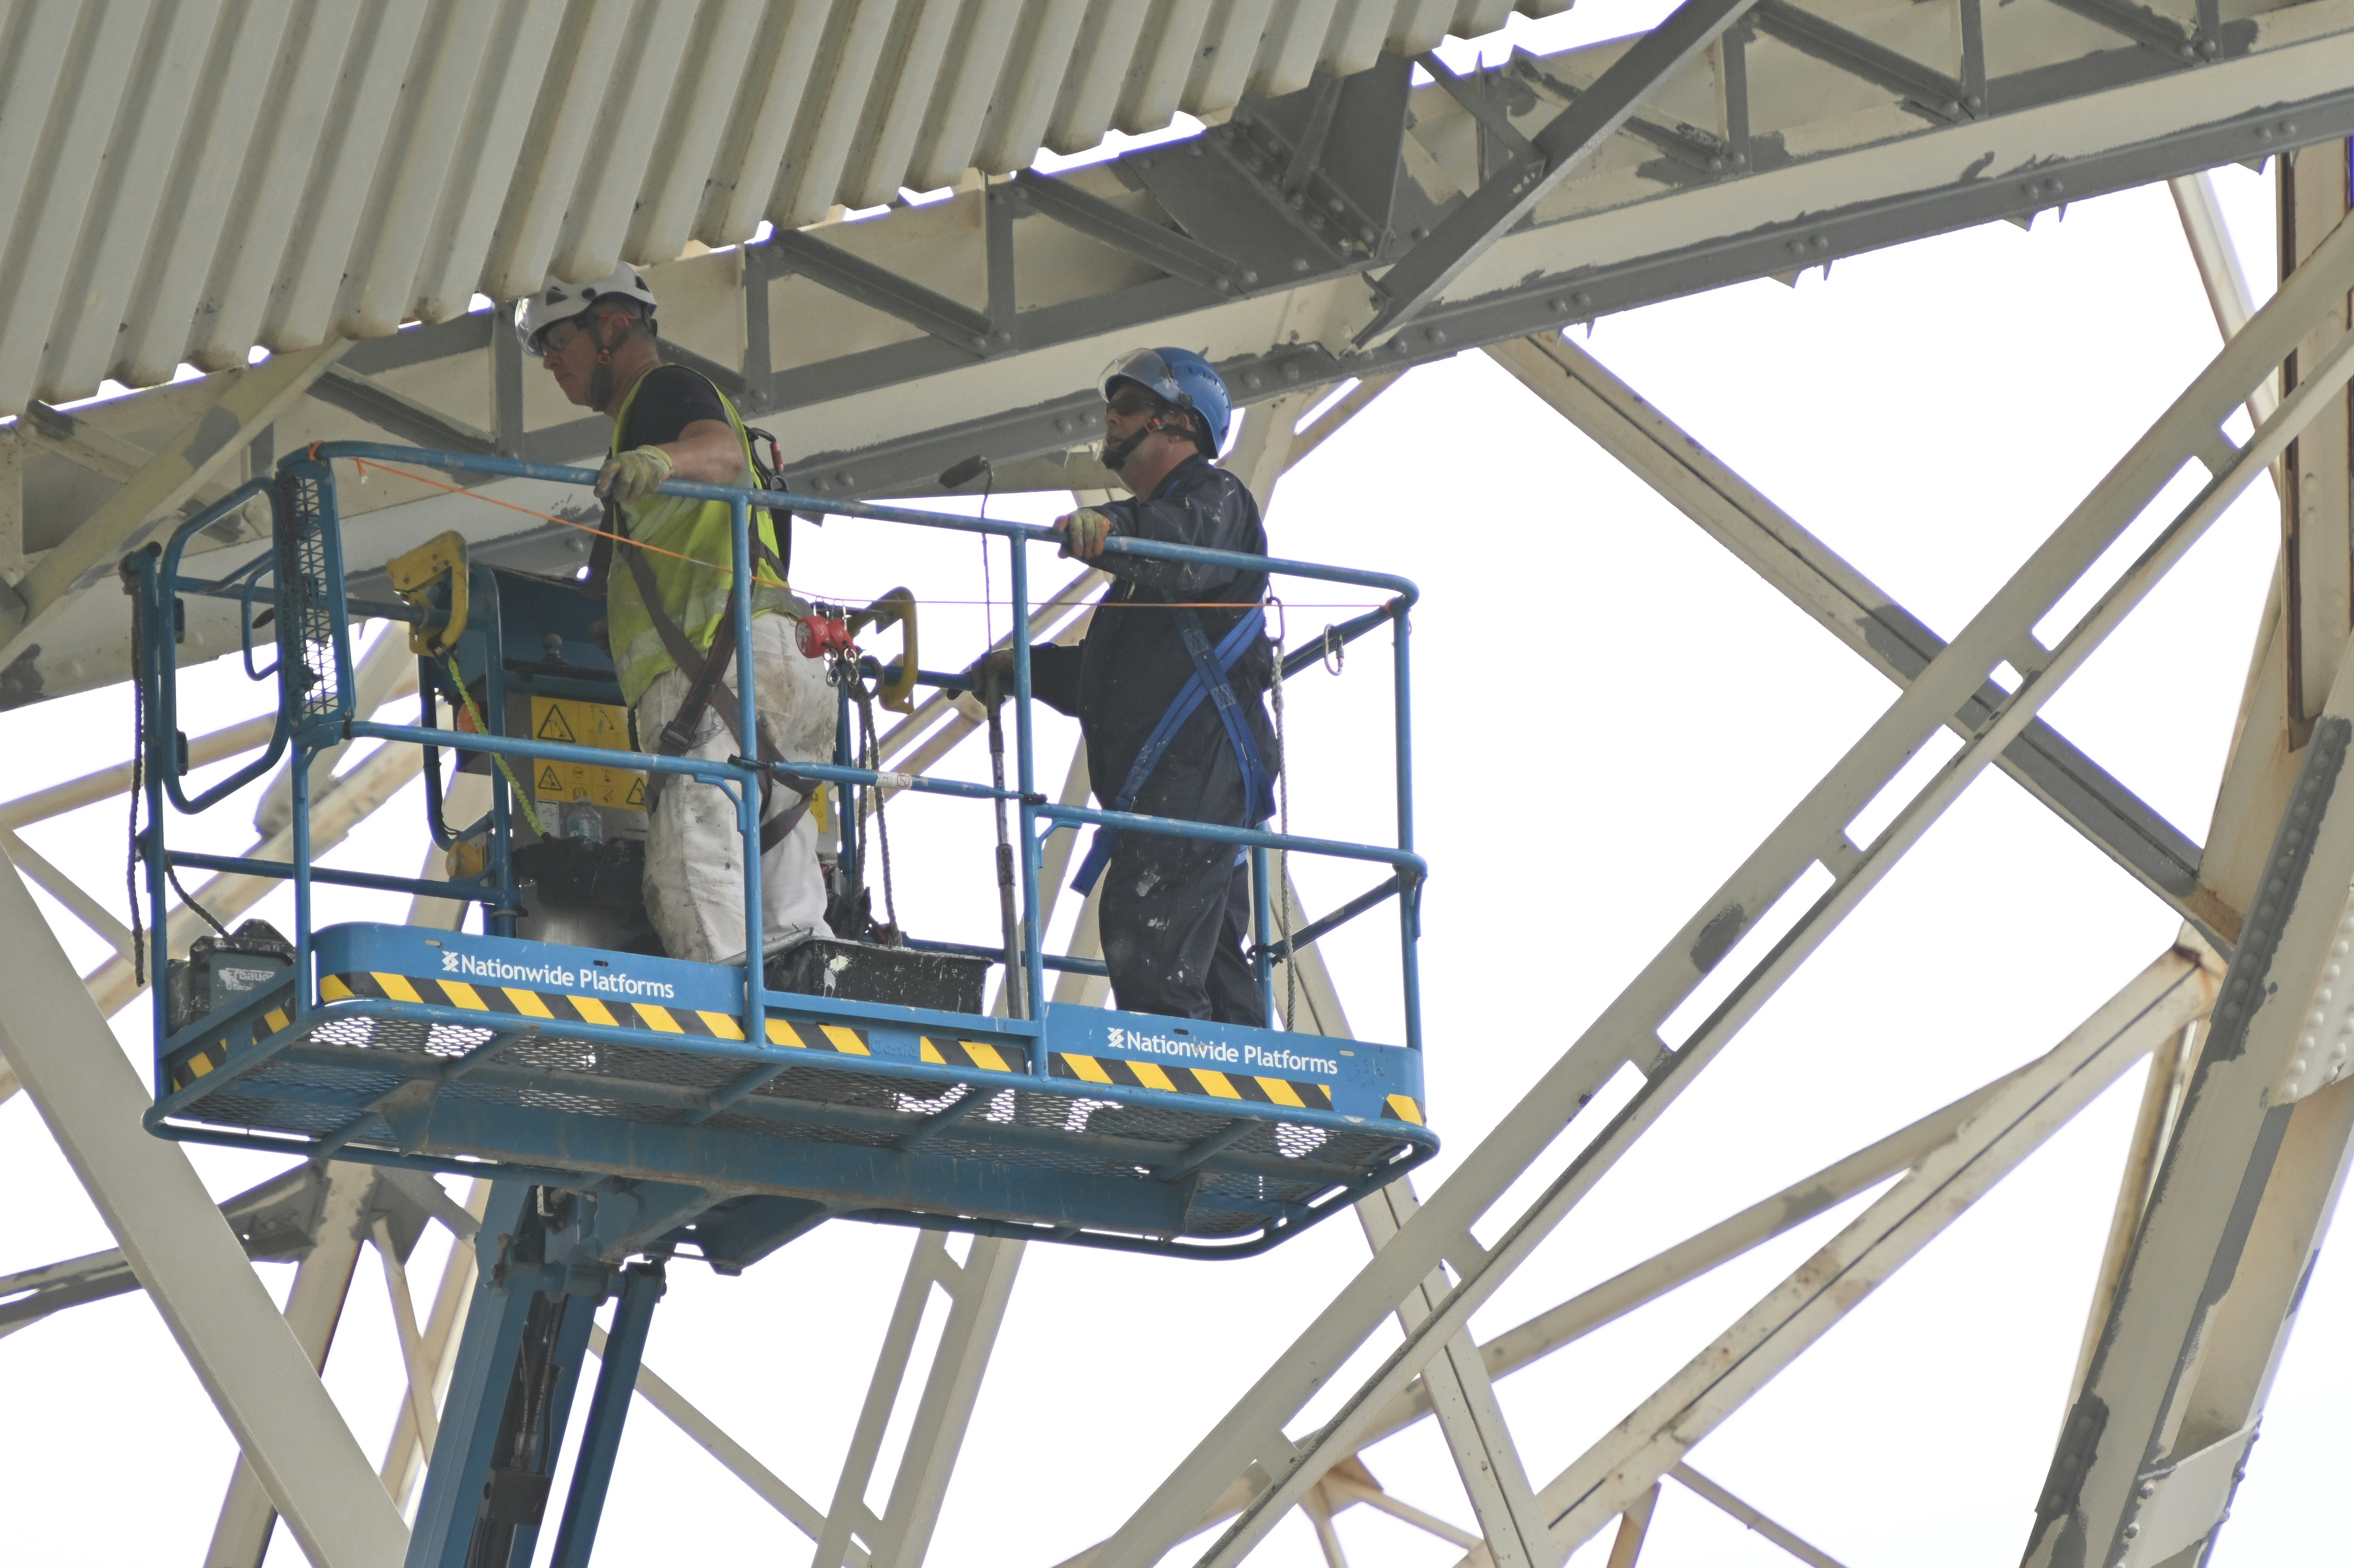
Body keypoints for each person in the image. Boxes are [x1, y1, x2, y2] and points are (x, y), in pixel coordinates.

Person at [518, 265, 833, 967]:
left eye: (557, 338)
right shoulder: (642, 430)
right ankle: (806, 1023)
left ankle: (723, 1044)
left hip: (712, 669)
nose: (550, 360)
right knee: (783, 887)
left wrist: (658, 459)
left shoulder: (661, 394)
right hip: (775, 663)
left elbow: (719, 455)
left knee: (693, 876)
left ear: (612, 327)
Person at [967, 349, 1277, 1024]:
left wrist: (1116, 529)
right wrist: (1027, 668)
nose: (1112, 417)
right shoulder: (1144, 571)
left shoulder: (1217, 501)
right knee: (1209, 952)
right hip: (1193, 780)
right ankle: (1247, 1098)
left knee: (1151, 930)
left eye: (1131, 406)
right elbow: (1117, 680)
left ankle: (1175, 1110)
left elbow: (1182, 544)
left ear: (1178, 425)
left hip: (1199, 775)